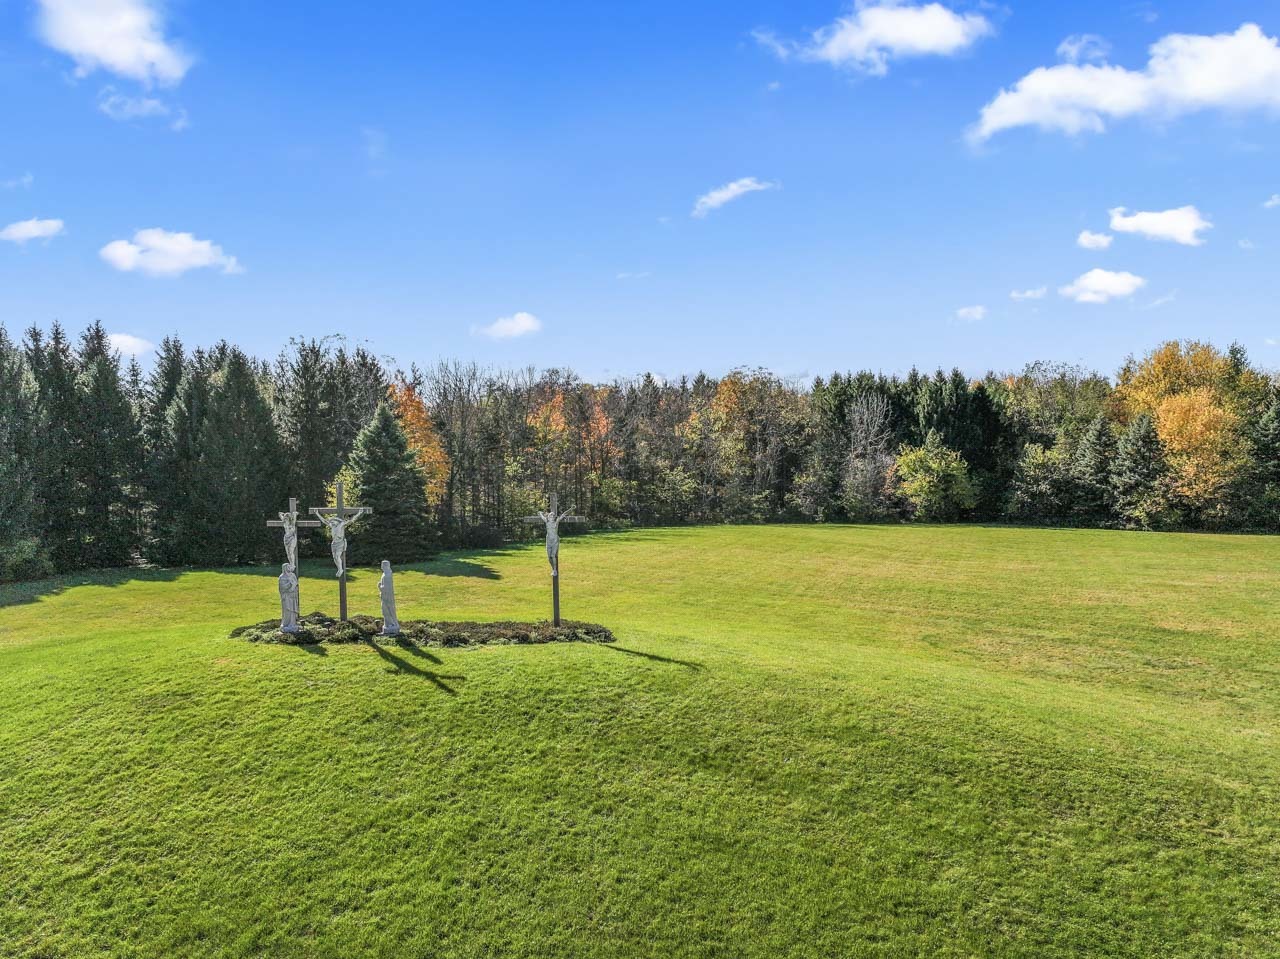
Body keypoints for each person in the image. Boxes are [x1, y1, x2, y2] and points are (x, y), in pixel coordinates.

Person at [379, 560, 400, 635]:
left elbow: (386, 588)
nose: (381, 566)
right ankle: (387, 625)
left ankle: (392, 624)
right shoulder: (385, 574)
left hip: (387, 597)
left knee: (387, 610)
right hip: (384, 596)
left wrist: (379, 586)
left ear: (385, 566)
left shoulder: (387, 576)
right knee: (385, 611)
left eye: (382, 565)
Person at [278, 563, 300, 633]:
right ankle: (285, 624)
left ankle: (292, 624)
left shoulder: (293, 575)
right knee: (287, 611)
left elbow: (296, 583)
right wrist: (289, 583)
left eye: (289, 567)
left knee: (293, 610)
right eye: (287, 567)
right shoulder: (282, 577)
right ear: (284, 568)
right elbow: (282, 587)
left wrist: (294, 585)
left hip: (292, 596)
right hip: (286, 596)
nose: (289, 568)